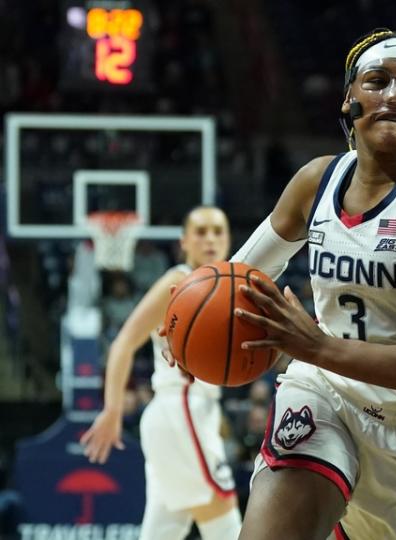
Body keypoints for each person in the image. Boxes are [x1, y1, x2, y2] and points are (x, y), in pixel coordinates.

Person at [192, 29, 396, 540]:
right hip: (324, 393)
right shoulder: (316, 181)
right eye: (378, 81)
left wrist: (319, 346)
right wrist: (187, 327)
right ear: (350, 99)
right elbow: (237, 280)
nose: (395, 95)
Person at [81, 207, 241, 540]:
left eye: (217, 231)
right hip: (180, 409)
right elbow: (123, 342)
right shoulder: (178, 280)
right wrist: (112, 410)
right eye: (200, 231)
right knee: (226, 524)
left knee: (164, 529)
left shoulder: (228, 282)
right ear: (184, 241)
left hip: (188, 413)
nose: (210, 239)